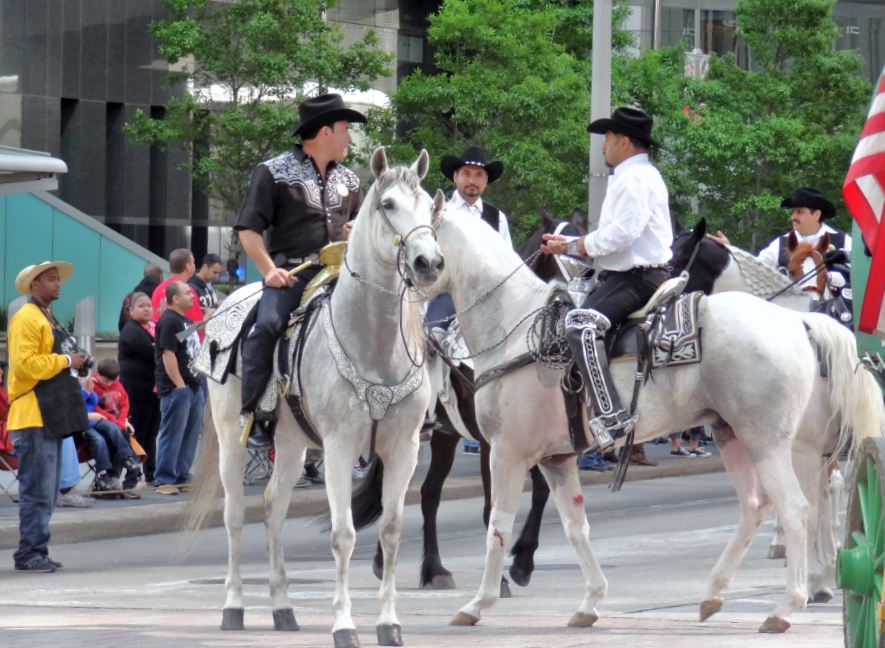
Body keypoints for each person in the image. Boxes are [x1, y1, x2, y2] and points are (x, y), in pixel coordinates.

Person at [234, 93, 366, 449]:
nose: (349, 138)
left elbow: (358, 223)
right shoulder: (273, 171)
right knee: (267, 326)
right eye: (345, 130)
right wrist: (269, 270)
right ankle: (256, 412)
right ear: (325, 132)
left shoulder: (351, 181)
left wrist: (355, 230)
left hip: (342, 272)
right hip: (293, 272)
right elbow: (248, 229)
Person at [541, 107, 673, 454]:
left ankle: (612, 416)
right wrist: (570, 245)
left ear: (624, 142)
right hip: (628, 274)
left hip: (636, 278)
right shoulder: (638, 176)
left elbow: (623, 233)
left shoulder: (634, 178)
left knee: (579, 323)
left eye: (608, 139)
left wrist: (580, 244)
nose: (603, 147)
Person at [7, 260, 90, 572]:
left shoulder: (45, 316)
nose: (58, 284)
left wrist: (71, 361)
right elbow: (26, 365)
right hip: (33, 413)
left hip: (46, 413)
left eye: (58, 279)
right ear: (34, 285)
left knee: (46, 491)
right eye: (51, 279)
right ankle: (29, 553)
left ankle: (35, 549)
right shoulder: (27, 318)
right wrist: (68, 359)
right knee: (38, 491)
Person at [432, 145, 511, 454]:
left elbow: (507, 260)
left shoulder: (496, 217)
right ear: (455, 176)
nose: (472, 181)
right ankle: (426, 409)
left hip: (487, 297)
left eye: (479, 175)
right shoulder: (440, 213)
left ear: (486, 182)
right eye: (467, 174)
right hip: (448, 291)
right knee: (430, 336)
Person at [711, 187, 851, 286]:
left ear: (816, 214)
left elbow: (861, 280)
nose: (793, 217)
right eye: (793, 212)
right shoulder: (780, 244)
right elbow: (753, 267)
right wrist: (730, 249)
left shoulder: (844, 242)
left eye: (799, 212)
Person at [153, 281, 204, 495]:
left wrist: (204, 322)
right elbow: (168, 353)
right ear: (175, 298)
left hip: (193, 386)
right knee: (173, 432)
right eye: (187, 293)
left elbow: (183, 339)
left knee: (190, 434)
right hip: (178, 388)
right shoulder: (168, 320)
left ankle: (182, 475)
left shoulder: (182, 321)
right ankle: (164, 478)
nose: (192, 296)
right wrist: (179, 384)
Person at [118, 292, 160, 483]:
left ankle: (151, 472)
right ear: (131, 310)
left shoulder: (153, 328)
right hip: (136, 391)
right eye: (141, 306)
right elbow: (153, 353)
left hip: (153, 390)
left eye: (149, 306)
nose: (146, 309)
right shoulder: (131, 330)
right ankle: (133, 473)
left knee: (151, 433)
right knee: (138, 432)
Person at [80, 373, 142, 495]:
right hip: (92, 423)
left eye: (112, 381)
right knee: (109, 437)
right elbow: (93, 407)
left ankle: (129, 480)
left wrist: (124, 421)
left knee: (125, 435)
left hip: (111, 422)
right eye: (106, 380)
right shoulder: (89, 384)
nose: (109, 384)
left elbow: (124, 405)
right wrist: (87, 391)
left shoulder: (117, 386)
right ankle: (109, 477)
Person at [119, 263, 164, 331]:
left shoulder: (130, 296)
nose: (146, 309)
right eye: (141, 306)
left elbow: (121, 324)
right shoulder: (162, 296)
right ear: (160, 277)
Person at [188, 253, 223, 318]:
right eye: (214, 272)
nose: (216, 276)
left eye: (218, 273)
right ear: (205, 267)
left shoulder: (209, 286)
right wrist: (216, 306)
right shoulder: (191, 287)